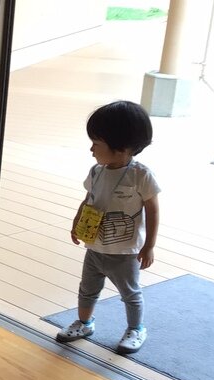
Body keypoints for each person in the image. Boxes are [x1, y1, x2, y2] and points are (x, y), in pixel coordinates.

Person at [57, 100, 160, 354]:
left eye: (96, 143)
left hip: (125, 252)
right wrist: (77, 222)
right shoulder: (97, 172)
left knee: (130, 293)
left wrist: (149, 246)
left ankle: (136, 329)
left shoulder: (140, 175)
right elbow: (88, 199)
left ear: (121, 147)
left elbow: (153, 210)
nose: (91, 149)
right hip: (95, 247)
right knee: (87, 289)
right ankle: (84, 323)